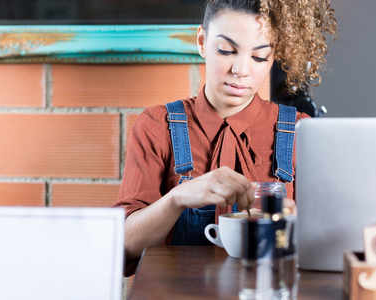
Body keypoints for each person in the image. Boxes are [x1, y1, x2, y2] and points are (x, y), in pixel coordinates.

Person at [112, 0, 338, 275]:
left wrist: (299, 226)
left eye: (258, 57)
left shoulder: (301, 131)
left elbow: (329, 245)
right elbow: (122, 246)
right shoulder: (157, 126)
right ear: (202, 41)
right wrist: (177, 197)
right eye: (226, 50)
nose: (240, 70)